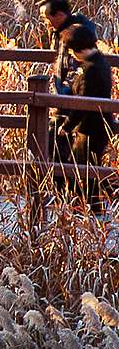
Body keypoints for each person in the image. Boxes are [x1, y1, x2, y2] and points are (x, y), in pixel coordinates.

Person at [52, 20, 114, 211]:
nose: (71, 55)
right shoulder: (100, 62)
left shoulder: (90, 70)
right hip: (98, 126)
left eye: (71, 51)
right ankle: (90, 207)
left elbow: (82, 105)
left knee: (83, 170)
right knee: (88, 169)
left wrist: (66, 127)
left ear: (77, 49)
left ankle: (89, 209)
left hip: (90, 128)